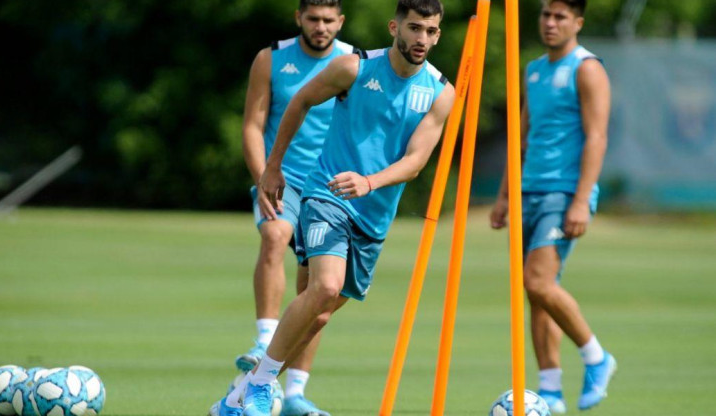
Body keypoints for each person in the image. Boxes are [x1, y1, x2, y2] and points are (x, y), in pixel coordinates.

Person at [212, 1, 454, 415]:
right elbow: (300, 101)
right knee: (323, 287)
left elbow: (416, 162)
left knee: (318, 315)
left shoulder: (440, 92)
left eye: (431, 31)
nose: (422, 39)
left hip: (373, 215)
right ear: (395, 26)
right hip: (326, 194)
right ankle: (264, 386)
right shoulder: (354, 68)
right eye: (414, 28)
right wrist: (272, 168)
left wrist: (371, 182)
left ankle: (238, 396)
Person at [225, 1, 355, 415]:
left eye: (328, 20)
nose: (320, 27)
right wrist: (264, 173)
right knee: (275, 234)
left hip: (330, 187)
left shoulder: (354, 63)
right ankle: (265, 339)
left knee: (315, 294)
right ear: (299, 17)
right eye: (313, 19)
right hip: (282, 179)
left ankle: (295, 393)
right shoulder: (271, 59)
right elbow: (252, 124)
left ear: (341, 22)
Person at [490, 0, 614, 412]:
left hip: (564, 194)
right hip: (529, 190)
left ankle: (596, 357)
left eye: (561, 16)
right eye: (546, 15)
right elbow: (521, 136)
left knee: (539, 282)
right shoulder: (534, 69)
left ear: (577, 22)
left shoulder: (587, 68)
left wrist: (581, 200)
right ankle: (551, 390)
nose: (550, 23)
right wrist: (506, 194)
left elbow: (596, 137)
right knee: (536, 292)